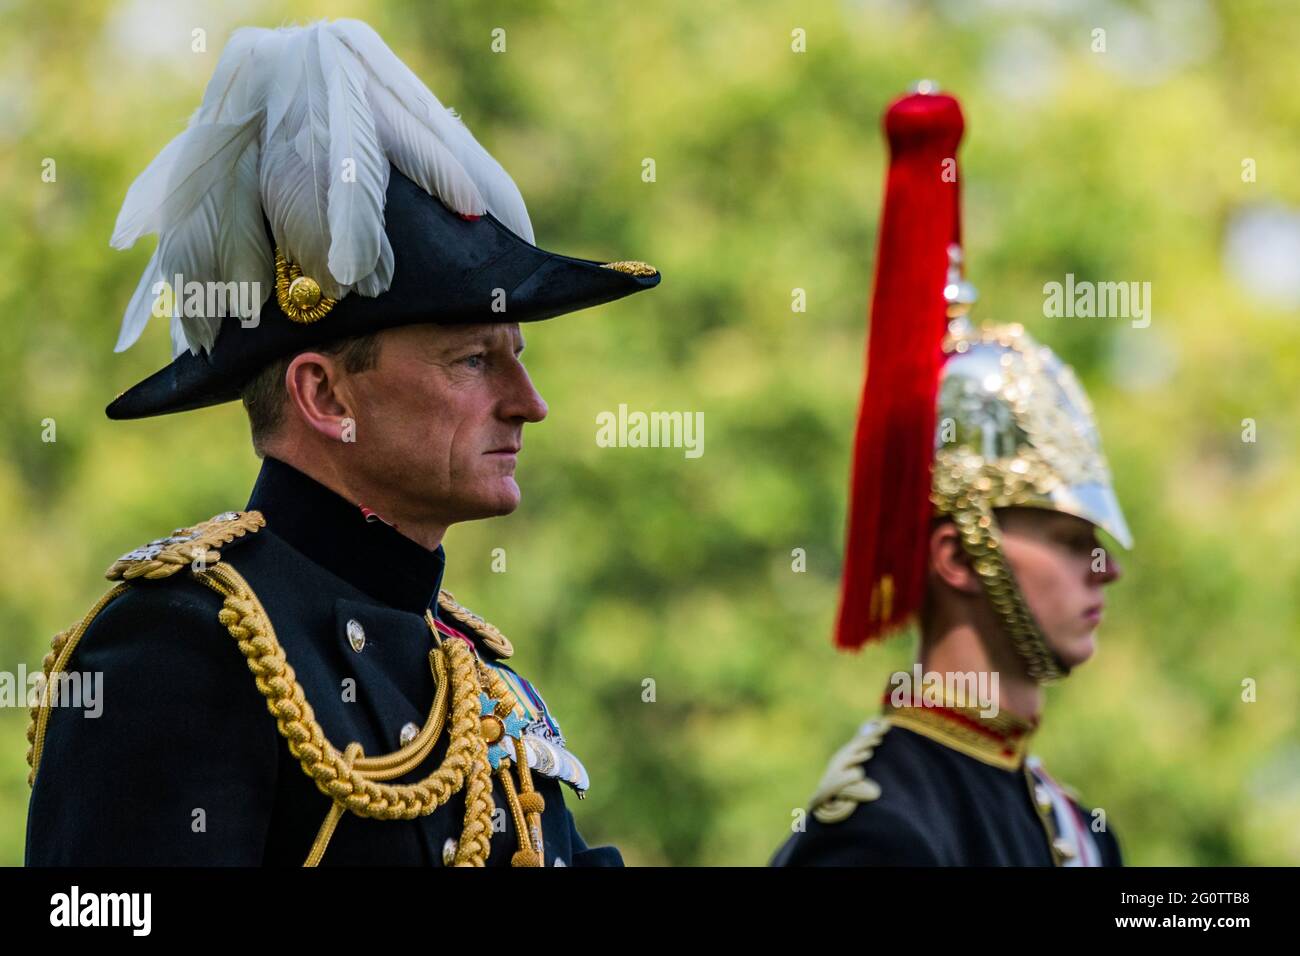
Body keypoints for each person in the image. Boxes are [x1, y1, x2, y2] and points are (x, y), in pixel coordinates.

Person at [25, 18, 658, 867]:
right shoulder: (182, 644)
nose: (529, 405)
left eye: (518, 358)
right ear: (324, 395)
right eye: (474, 360)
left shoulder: (467, 673)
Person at [771, 87, 1128, 866]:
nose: (1108, 569)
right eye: (1070, 539)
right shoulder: (880, 835)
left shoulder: (1079, 830)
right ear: (959, 556)